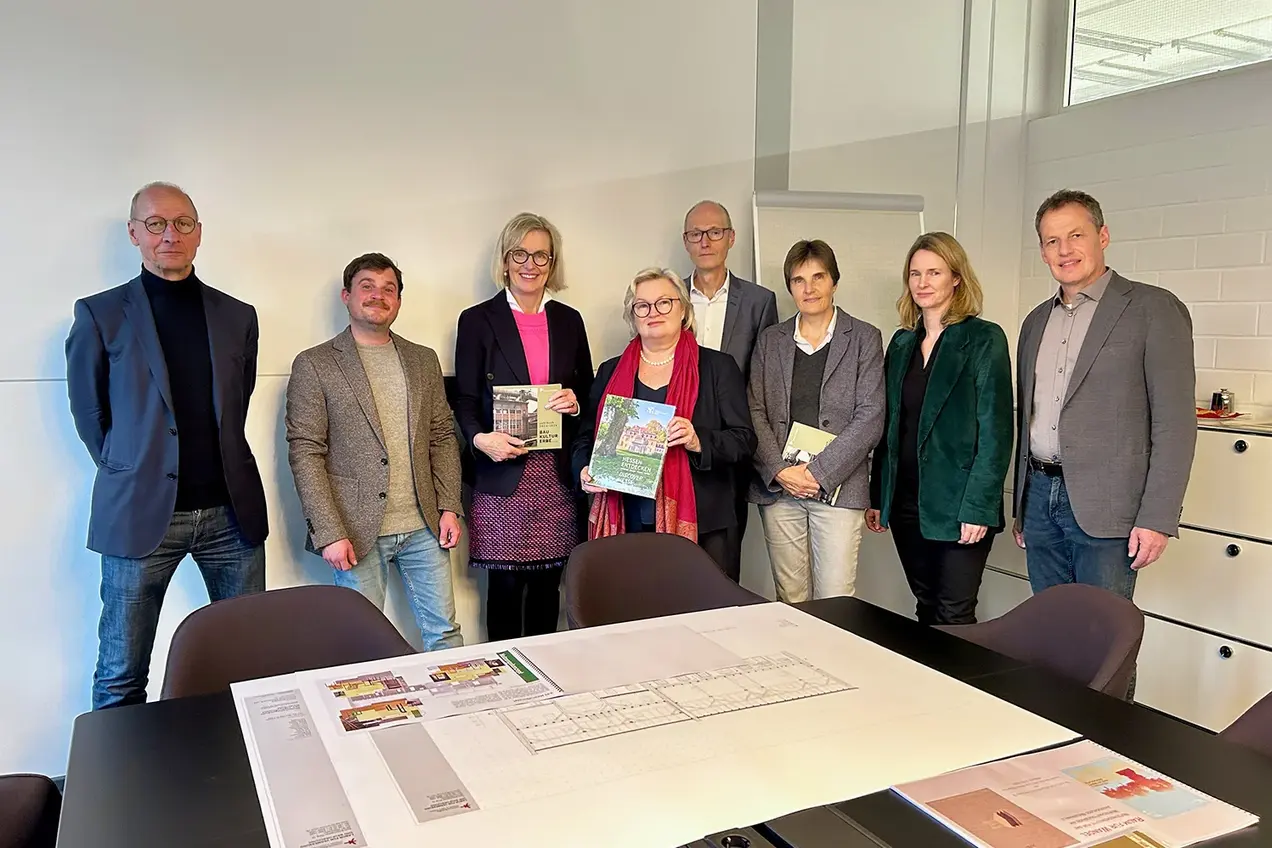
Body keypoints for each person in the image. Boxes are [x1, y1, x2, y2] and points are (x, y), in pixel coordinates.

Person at [65, 181, 268, 709]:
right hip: (139, 513)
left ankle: (239, 756)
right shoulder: (99, 314)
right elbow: (89, 413)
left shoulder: (238, 316)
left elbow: (238, 401)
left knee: (251, 666)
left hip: (231, 515)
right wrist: (129, 466)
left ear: (199, 233)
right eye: (155, 224)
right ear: (135, 233)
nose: (170, 235)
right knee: (121, 672)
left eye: (182, 223)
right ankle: (117, 764)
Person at [1015, 189, 1195, 600]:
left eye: (1076, 235)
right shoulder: (1035, 322)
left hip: (1110, 510)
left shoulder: (1153, 309)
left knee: (1103, 633)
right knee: (1048, 627)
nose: (1064, 250)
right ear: (1042, 252)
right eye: (1052, 240)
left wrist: (1158, 517)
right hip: (1039, 499)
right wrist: (1021, 508)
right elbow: (1027, 418)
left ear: (1103, 236)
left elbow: (1175, 425)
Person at [286, 253, 463, 650]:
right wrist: (329, 532)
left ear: (398, 301)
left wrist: (450, 506)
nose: (378, 296)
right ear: (346, 296)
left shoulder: (423, 360)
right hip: (354, 530)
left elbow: (441, 436)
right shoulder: (315, 364)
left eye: (389, 289)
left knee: (445, 633)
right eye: (367, 286)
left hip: (425, 526)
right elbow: (306, 452)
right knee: (360, 644)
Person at [454, 213, 594, 641]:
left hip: (556, 474)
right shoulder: (477, 320)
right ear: (505, 259)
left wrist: (574, 402)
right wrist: (481, 439)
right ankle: (505, 675)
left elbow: (587, 391)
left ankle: (543, 673)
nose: (530, 264)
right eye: (520, 254)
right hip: (502, 472)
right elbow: (464, 399)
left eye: (540, 255)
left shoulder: (569, 320)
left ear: (552, 263)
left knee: (548, 589)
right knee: (504, 589)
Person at [865, 232, 1013, 625]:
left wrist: (979, 508)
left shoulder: (983, 339)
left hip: (959, 503)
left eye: (934, 272)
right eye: (915, 274)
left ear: (956, 278)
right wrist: (879, 496)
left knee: (954, 612)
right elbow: (889, 428)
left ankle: (959, 671)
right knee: (926, 604)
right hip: (906, 501)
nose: (923, 282)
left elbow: (996, 434)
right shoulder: (901, 343)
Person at [574, 268, 756, 576]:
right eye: (642, 306)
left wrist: (698, 440)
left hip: (703, 523)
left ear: (683, 309)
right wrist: (583, 469)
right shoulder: (609, 372)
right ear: (633, 316)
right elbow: (585, 438)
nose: (653, 312)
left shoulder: (718, 367)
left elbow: (744, 440)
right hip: (629, 519)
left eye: (664, 302)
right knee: (636, 603)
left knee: (701, 604)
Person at [749, 240, 884, 602]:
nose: (808, 289)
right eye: (798, 280)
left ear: (834, 282)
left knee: (836, 599)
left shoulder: (864, 338)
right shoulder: (770, 341)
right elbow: (755, 411)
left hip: (839, 489)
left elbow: (871, 415)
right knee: (790, 599)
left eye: (818, 277)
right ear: (790, 287)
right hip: (781, 489)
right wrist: (780, 471)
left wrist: (818, 474)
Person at [682, 199, 778, 577]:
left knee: (723, 562)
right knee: (671, 563)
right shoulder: (668, 297)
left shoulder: (759, 301)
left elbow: (764, 377)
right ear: (686, 241)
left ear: (731, 238)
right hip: (675, 442)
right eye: (696, 234)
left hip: (731, 447)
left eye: (714, 232)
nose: (705, 241)